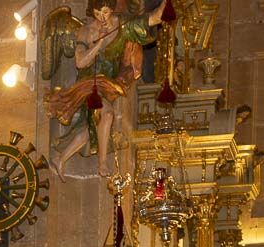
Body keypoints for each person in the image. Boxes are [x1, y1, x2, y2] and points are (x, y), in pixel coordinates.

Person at [44, 0, 171, 178]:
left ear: (111, 9)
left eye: (105, 12)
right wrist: (98, 44)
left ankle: (61, 158)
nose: (102, 17)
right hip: (89, 84)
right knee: (107, 114)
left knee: (91, 128)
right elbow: (80, 63)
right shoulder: (86, 31)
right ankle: (102, 164)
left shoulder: (124, 24)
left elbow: (155, 17)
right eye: (97, 13)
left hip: (109, 84)